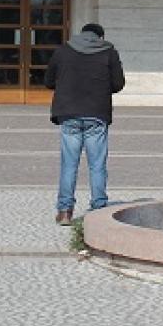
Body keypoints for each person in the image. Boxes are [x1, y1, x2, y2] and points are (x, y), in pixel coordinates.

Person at [44, 22, 125, 226]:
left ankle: (65, 211)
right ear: (100, 37)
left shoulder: (63, 51)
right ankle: (98, 208)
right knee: (97, 165)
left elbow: (48, 81)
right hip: (96, 113)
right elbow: (118, 84)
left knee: (69, 165)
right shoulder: (109, 52)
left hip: (69, 113)